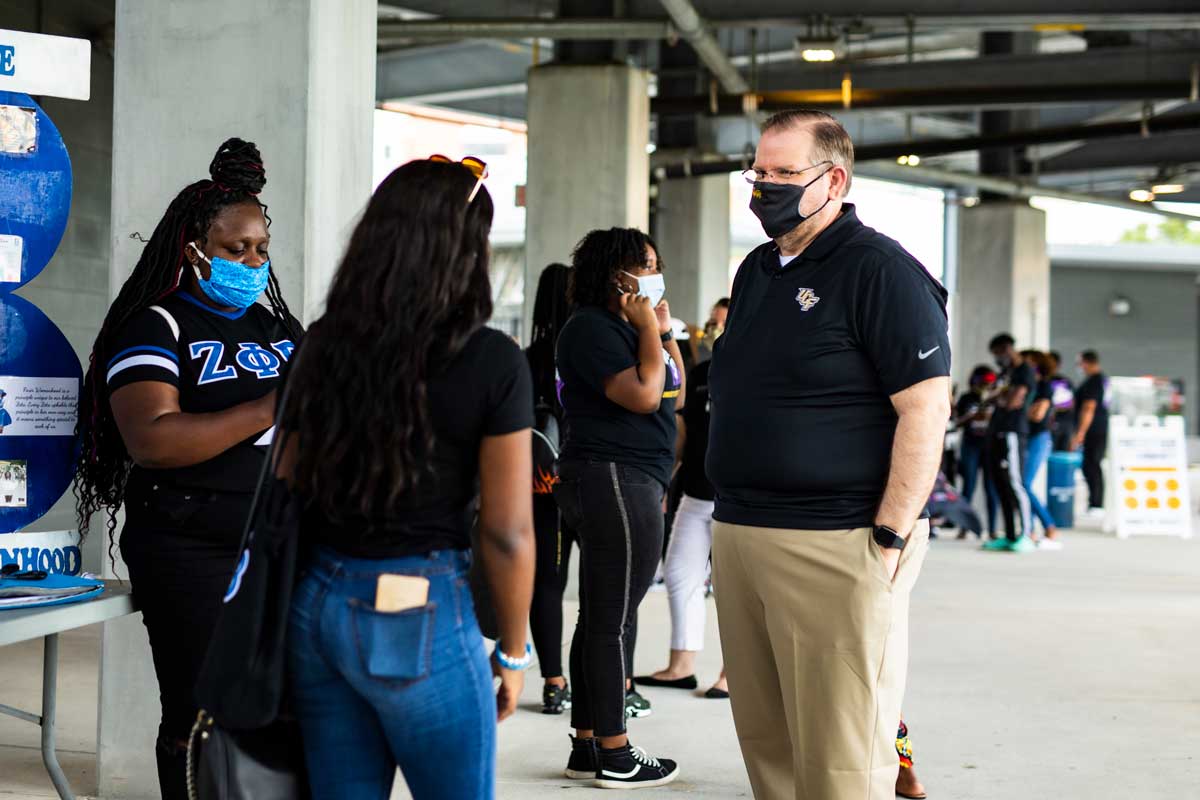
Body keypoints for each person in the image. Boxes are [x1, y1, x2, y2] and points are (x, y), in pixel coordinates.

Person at [706, 109, 950, 800]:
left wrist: (890, 535)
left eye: (785, 173)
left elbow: (926, 410)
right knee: (768, 741)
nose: (765, 186)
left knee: (843, 753)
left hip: (835, 537)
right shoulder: (758, 269)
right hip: (743, 528)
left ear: (834, 179)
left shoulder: (881, 271)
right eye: (759, 171)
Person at [279, 157, 536, 800]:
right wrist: (512, 649)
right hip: (416, 604)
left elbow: (287, 475)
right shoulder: (490, 360)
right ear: (465, 249)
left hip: (316, 601)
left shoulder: (320, 344)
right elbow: (507, 533)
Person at [71, 139, 301, 799]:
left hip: (275, 538)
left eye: (261, 247)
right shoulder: (154, 324)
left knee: (280, 705)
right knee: (203, 711)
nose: (255, 261)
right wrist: (266, 407)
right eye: (237, 249)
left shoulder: (277, 326)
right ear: (194, 249)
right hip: (189, 541)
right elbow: (153, 439)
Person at [553, 227, 684, 789]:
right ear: (617, 274)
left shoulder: (632, 328)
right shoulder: (591, 328)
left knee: (601, 616)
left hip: (629, 479)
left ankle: (588, 743)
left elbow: (674, 383)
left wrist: (661, 328)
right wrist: (649, 328)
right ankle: (616, 750)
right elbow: (644, 395)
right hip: (611, 477)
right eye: (645, 264)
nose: (655, 272)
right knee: (613, 620)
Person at [637, 347, 729, 699]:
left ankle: (731, 674)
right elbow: (684, 430)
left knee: (731, 590)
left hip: (735, 499)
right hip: (694, 492)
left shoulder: (762, 362)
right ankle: (681, 666)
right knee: (678, 573)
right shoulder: (704, 370)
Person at [525, 262, 579, 714]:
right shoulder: (587, 348)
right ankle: (615, 679)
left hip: (541, 487)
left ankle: (553, 680)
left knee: (548, 582)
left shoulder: (528, 357)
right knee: (605, 580)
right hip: (590, 478)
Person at [982, 334, 1037, 552]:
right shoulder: (1007, 373)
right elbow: (993, 396)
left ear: (1007, 349)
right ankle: (1011, 535)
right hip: (997, 432)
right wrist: (997, 396)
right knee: (1000, 484)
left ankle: (1025, 535)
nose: (997, 359)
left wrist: (998, 397)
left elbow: (1013, 401)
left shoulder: (1024, 371)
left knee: (1015, 483)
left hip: (1013, 433)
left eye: (998, 354)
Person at [1022, 350, 1063, 546]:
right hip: (1025, 436)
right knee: (1021, 484)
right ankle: (1028, 530)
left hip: (1039, 437)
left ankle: (1049, 526)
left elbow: (1038, 414)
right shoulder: (1027, 386)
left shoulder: (1045, 386)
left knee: (1024, 483)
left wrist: (1019, 410)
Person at [954, 366, 1000, 538]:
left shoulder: (996, 399)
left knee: (991, 488)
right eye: (982, 383)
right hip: (970, 445)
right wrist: (971, 416)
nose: (984, 387)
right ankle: (964, 527)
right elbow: (956, 422)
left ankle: (993, 529)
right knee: (968, 487)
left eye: (988, 383)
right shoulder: (967, 398)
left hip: (990, 447)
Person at [1071, 349, 1110, 515]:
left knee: (1092, 464)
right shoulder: (1100, 379)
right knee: (1090, 464)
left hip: (1094, 429)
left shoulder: (1095, 381)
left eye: (1080, 363)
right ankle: (1094, 502)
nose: (1079, 367)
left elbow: (1089, 408)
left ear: (1087, 362)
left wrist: (1080, 432)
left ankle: (1097, 503)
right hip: (1096, 428)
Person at [1047, 350, 1076, 452]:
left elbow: (1070, 404)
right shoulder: (1041, 380)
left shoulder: (1062, 381)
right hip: (1045, 427)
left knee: (1060, 454)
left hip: (1062, 424)